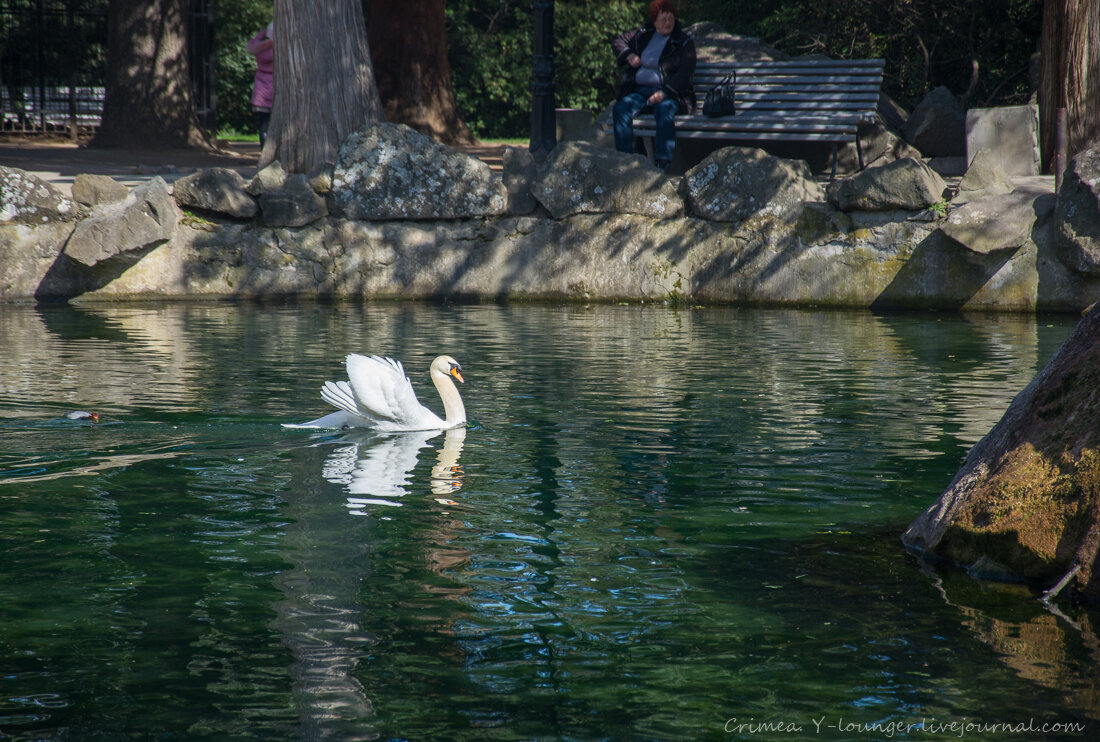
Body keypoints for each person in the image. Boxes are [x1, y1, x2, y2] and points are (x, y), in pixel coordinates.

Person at [611, 1, 696, 171]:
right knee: (620, 109)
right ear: (654, 20)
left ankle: (662, 164)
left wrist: (664, 93)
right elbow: (618, 41)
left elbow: (684, 75)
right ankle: (626, 161)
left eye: (670, 18)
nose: (667, 23)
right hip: (640, 92)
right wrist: (629, 55)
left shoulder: (683, 42)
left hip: (672, 94)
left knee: (664, 110)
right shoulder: (643, 34)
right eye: (663, 19)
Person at [246, 22, 275, 148]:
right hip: (272, 87)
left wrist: (261, 33)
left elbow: (251, 45)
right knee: (270, 123)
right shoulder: (275, 47)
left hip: (262, 88)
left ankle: (265, 149)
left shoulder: (259, 48)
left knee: (264, 123)